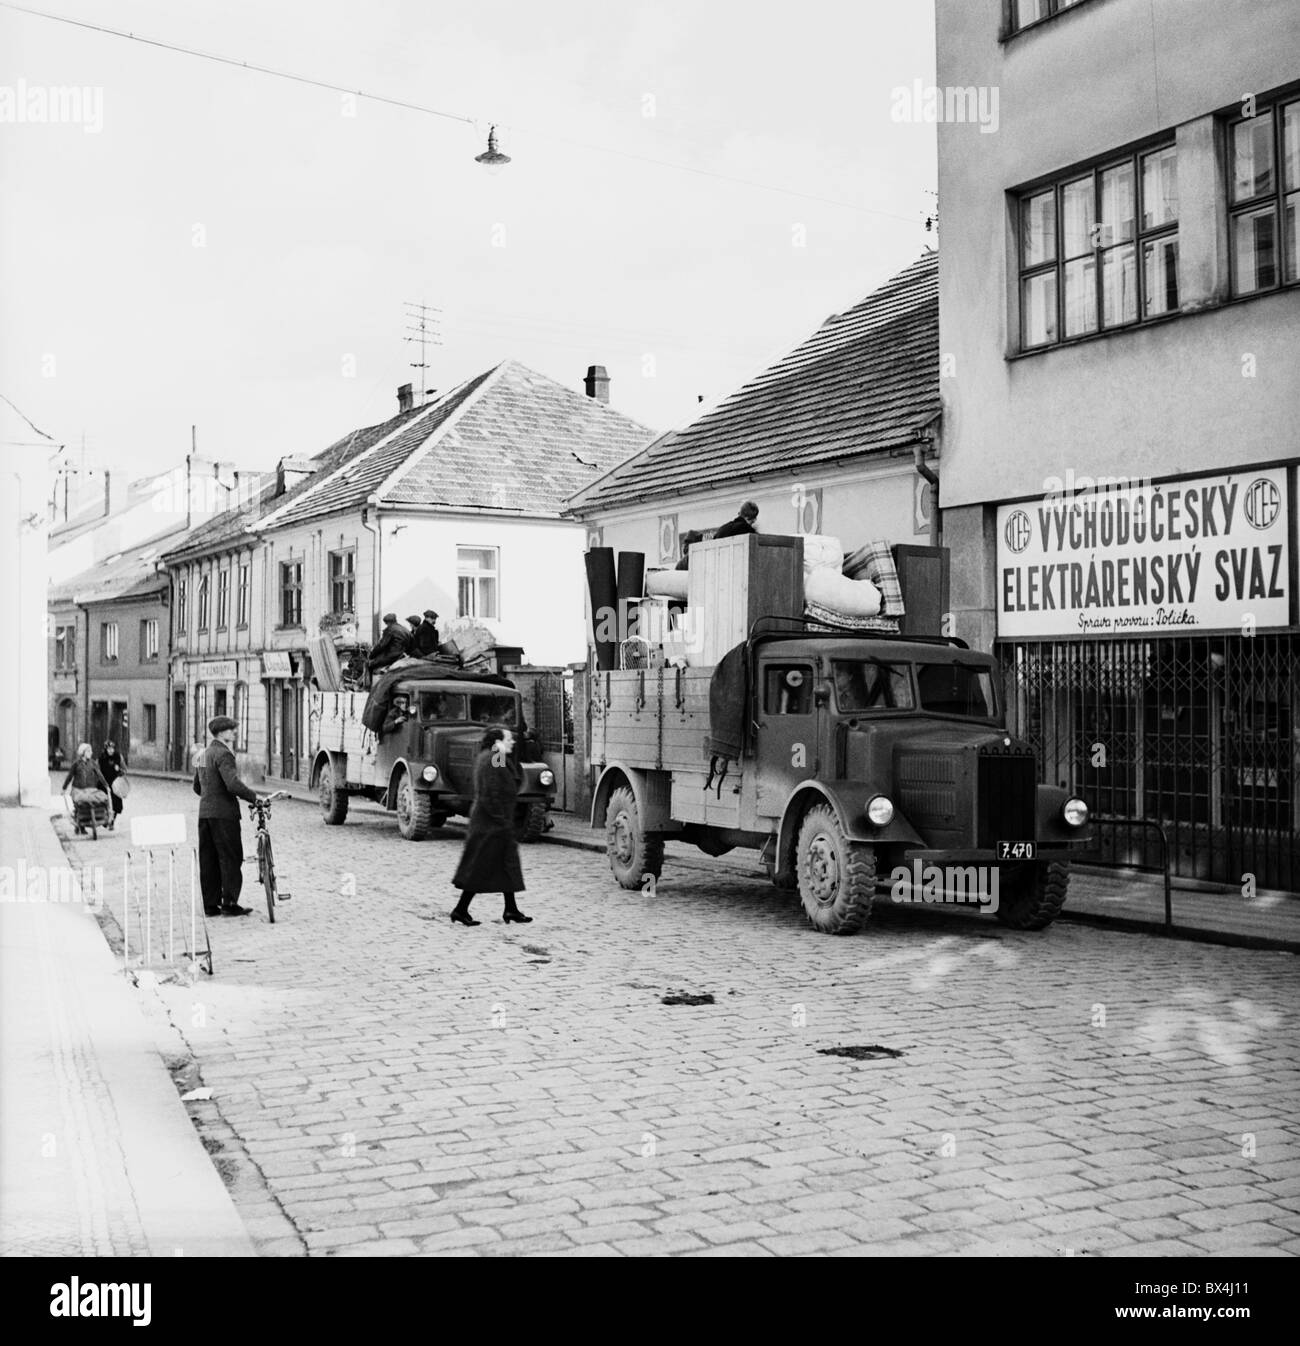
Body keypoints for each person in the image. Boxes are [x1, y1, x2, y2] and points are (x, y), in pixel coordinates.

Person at [449, 726, 530, 927]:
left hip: (494, 821)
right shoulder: (494, 757)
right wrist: (501, 819)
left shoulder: (496, 756)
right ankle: (460, 909)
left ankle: (510, 909)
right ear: (497, 742)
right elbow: (492, 790)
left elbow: (501, 785)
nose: (512, 742)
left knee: (505, 865)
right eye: (509, 739)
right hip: (490, 823)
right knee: (480, 867)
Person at [193, 715, 268, 918]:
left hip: (205, 814)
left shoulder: (203, 754)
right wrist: (254, 797)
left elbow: (197, 787)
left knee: (209, 860)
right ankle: (229, 903)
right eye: (231, 729)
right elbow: (232, 784)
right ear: (221, 732)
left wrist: (211, 796)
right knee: (230, 858)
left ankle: (210, 905)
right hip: (224, 816)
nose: (234, 732)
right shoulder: (224, 754)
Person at [62, 744, 112, 819]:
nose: (91, 753)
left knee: (102, 798)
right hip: (78, 790)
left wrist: (106, 786)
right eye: (88, 751)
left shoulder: (93, 763)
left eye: (90, 751)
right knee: (82, 802)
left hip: (91, 790)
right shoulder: (76, 764)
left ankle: (102, 816)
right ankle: (79, 820)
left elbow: (100, 775)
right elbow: (69, 777)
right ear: (83, 752)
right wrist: (64, 789)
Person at [97, 740, 127, 830]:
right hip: (104, 783)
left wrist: (120, 771)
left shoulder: (118, 757)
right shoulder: (101, 758)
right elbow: (97, 771)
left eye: (112, 749)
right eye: (109, 749)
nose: (111, 750)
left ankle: (112, 821)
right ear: (106, 749)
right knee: (104, 802)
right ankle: (105, 819)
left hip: (115, 784)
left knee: (116, 804)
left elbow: (124, 770)